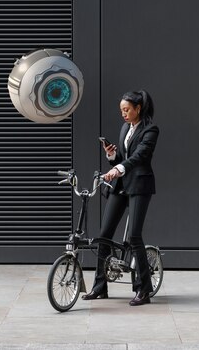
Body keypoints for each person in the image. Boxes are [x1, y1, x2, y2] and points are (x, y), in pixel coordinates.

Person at [82, 89, 159, 306]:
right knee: (104, 235)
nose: (123, 114)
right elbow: (124, 158)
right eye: (121, 110)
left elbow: (139, 156)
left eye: (127, 110)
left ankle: (144, 289)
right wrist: (112, 156)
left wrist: (120, 167)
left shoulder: (151, 129)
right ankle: (99, 287)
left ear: (138, 108)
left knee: (134, 236)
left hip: (140, 186)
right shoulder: (126, 127)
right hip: (121, 185)